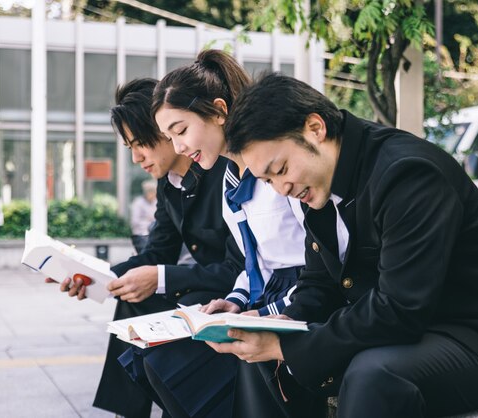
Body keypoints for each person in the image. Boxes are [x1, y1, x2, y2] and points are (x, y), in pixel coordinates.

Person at [206, 73, 478, 418]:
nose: (281, 189)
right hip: (410, 330)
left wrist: (287, 346)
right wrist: (273, 327)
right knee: (259, 358)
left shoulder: (407, 173)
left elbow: (399, 308)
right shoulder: (317, 185)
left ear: (315, 128)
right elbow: (318, 286)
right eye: (268, 180)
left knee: (373, 374)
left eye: (280, 169)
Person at [126, 50, 319, 418]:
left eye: (181, 131)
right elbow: (253, 261)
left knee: (186, 364)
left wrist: (264, 313)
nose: (179, 147)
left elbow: (320, 265)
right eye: (170, 136)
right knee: (159, 358)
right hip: (261, 296)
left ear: (218, 111)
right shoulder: (231, 178)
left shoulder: (277, 173)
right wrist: (233, 301)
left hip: (299, 296)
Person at [52, 78, 244, 418]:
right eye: (130, 147)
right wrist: (92, 276)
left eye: (141, 143)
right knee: (132, 301)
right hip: (201, 289)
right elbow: (157, 252)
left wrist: (158, 278)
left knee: (149, 299)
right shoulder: (168, 184)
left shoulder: (225, 171)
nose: (137, 157)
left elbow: (237, 268)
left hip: (233, 293)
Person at [130, 179, 157, 254]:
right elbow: (135, 221)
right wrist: (150, 223)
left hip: (155, 235)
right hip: (141, 236)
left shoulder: (156, 202)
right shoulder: (138, 202)